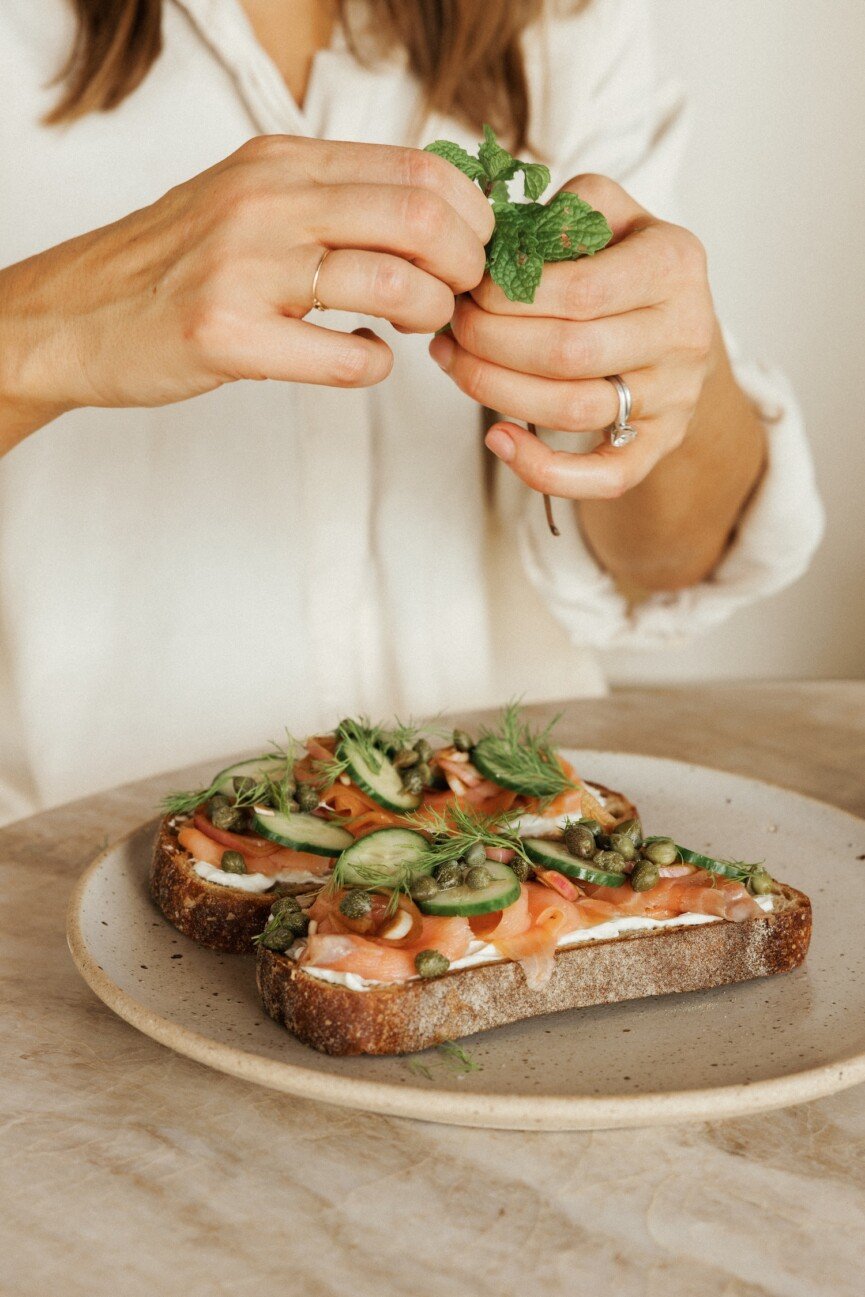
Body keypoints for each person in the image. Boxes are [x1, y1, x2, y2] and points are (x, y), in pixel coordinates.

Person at [0, 0, 823, 825]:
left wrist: (673, 366)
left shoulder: (559, 20)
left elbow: (662, 560)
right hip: (58, 868)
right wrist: (45, 330)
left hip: (512, 858)